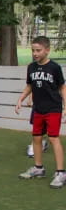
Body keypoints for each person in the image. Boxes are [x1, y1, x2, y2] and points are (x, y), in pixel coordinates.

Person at [15, 36, 66, 188]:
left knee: (53, 138)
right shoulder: (31, 67)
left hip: (53, 108)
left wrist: (65, 106)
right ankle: (38, 168)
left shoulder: (54, 68)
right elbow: (29, 86)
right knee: (36, 138)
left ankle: (61, 173)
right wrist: (21, 99)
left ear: (47, 50)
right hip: (38, 109)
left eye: (38, 50)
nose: (35, 53)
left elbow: (62, 87)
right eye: (33, 50)